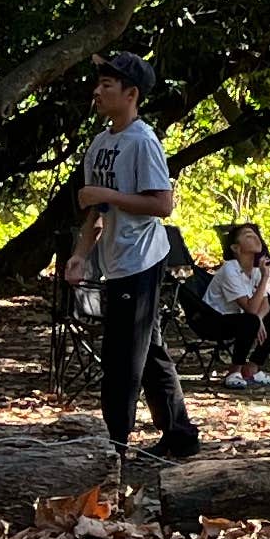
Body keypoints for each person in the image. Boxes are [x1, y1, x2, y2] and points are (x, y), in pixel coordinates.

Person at [64, 52, 200, 469]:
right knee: (151, 350)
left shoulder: (143, 142)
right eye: (99, 83)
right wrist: (80, 255)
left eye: (108, 85)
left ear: (131, 94)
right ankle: (181, 437)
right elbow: (95, 210)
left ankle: (116, 448)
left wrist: (107, 196)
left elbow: (162, 204)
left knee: (122, 358)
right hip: (114, 259)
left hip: (142, 260)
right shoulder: (101, 144)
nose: (98, 91)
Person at [203, 220, 270, 387]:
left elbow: (267, 301)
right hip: (215, 319)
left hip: (243, 318)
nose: (255, 238)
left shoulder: (259, 268)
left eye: (256, 235)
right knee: (250, 321)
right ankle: (234, 371)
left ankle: (252, 367)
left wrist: (260, 318)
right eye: (248, 236)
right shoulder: (230, 269)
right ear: (236, 248)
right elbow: (250, 308)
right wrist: (265, 278)